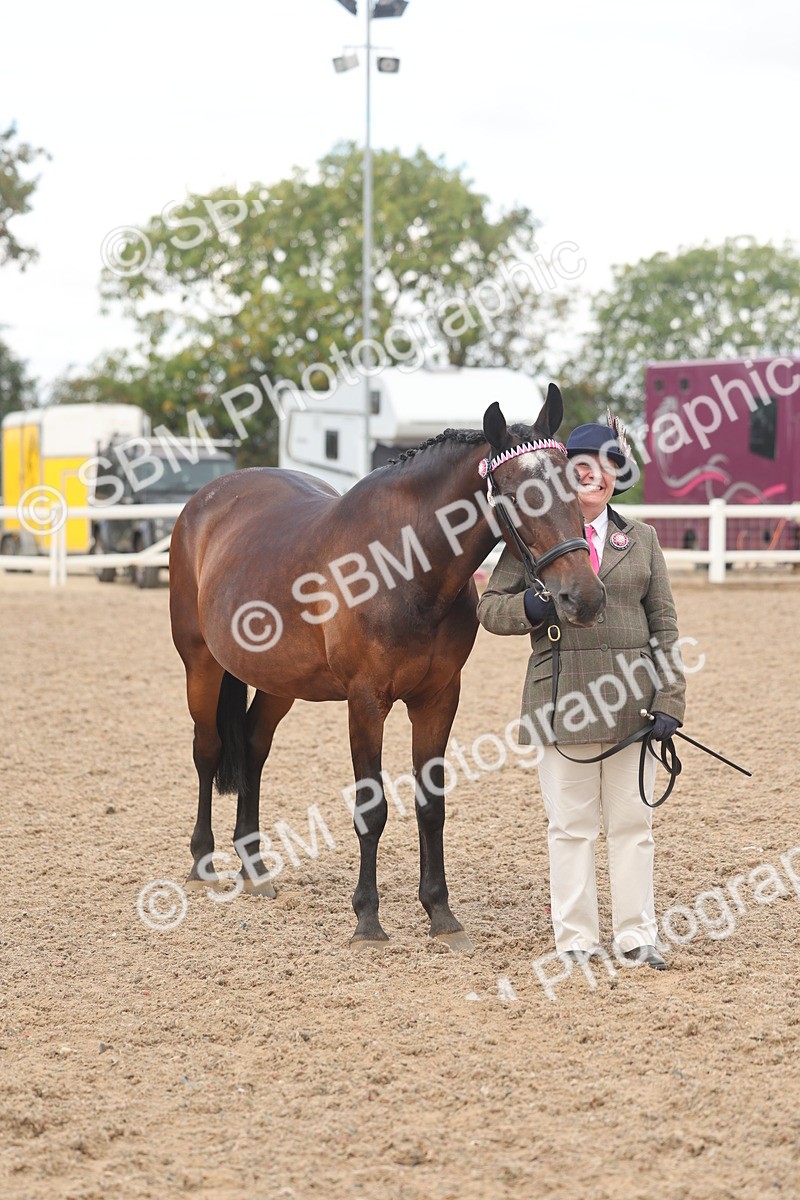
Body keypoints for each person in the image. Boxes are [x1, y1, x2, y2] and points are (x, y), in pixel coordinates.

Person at [476, 415, 685, 970]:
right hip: (561, 699)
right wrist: (529, 607)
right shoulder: (528, 540)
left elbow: (664, 626)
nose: (595, 477)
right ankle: (575, 940)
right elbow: (489, 609)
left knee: (632, 826)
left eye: (607, 468)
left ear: (618, 476)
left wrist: (669, 702)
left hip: (631, 704)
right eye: (583, 468)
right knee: (570, 828)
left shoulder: (641, 540)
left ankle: (637, 935)